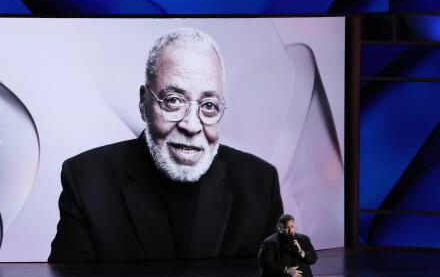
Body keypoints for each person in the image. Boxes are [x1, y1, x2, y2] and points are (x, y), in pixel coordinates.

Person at [49, 27, 283, 262]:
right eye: (173, 100)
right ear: (143, 103)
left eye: (209, 105)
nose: (191, 126)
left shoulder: (260, 185)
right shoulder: (86, 180)